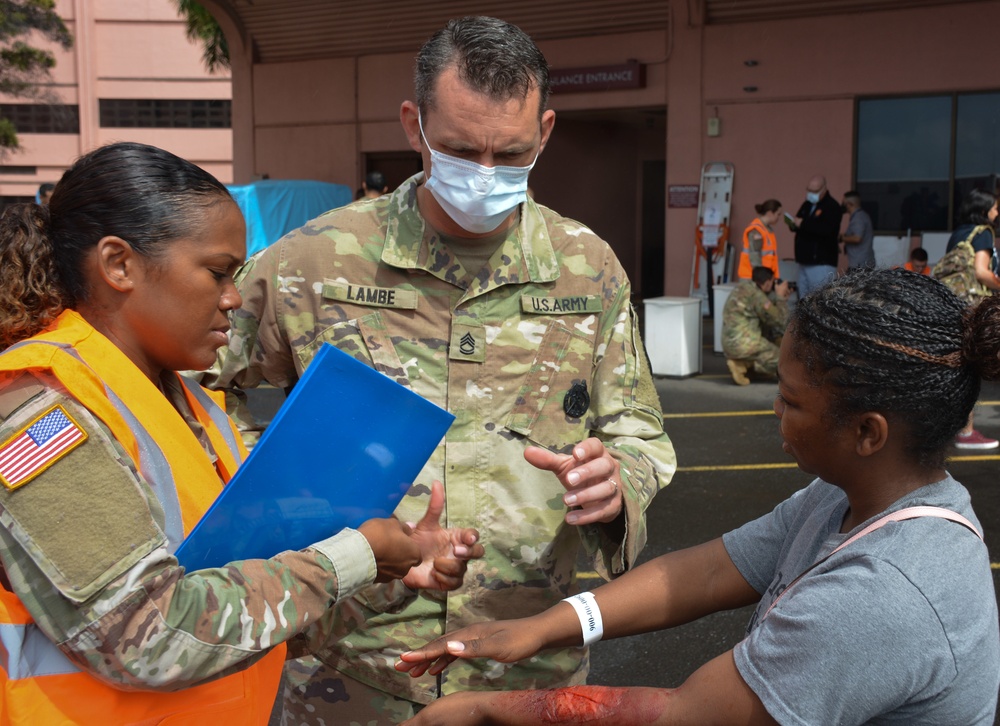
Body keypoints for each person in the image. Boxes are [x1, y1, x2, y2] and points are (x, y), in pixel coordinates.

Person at [206, 16, 676, 725]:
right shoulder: (317, 262)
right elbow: (196, 383)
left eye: (510, 152)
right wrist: (269, 498)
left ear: (544, 133)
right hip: (351, 663)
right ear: (412, 124)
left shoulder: (588, 268)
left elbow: (639, 435)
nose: (484, 173)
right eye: (459, 149)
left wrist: (616, 485)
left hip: (525, 667)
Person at [0, 141, 484, 723]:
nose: (234, 298)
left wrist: (391, 573)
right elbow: (143, 638)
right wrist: (354, 555)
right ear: (118, 265)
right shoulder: (41, 412)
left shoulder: (191, 404)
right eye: (218, 273)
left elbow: (246, 621)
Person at [397, 267, 1000, 726]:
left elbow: (683, 715)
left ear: (868, 432)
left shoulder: (885, 593)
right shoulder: (847, 499)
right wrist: (542, 627)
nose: (776, 410)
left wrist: (488, 711)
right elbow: (708, 572)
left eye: (791, 401)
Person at [934, 188, 1000, 450]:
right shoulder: (983, 233)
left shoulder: (959, 233)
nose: (997, 212)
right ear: (984, 210)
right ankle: (967, 431)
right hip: (973, 305)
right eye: (994, 207)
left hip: (953, 303)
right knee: (971, 364)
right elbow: (982, 272)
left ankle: (949, 427)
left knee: (954, 363)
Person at [722, 266, 789, 385]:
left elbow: (763, 312)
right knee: (785, 362)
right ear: (768, 282)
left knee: (768, 340)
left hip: (729, 343)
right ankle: (742, 365)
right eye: (773, 282)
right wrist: (780, 298)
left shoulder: (742, 288)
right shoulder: (758, 296)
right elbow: (780, 320)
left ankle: (745, 364)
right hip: (745, 343)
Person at [788, 174, 842, 297]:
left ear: (824, 189)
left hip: (821, 262)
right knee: (803, 299)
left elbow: (826, 229)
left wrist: (803, 223)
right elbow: (800, 222)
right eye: (809, 190)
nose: (811, 193)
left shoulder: (832, 206)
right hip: (804, 260)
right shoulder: (807, 205)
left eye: (815, 191)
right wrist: (794, 224)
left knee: (820, 299)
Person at [737, 199, 781, 281]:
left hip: (762, 277)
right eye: (778, 214)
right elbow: (754, 256)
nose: (779, 217)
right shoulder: (757, 229)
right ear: (770, 213)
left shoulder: (766, 229)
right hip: (753, 278)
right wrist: (761, 278)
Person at [838, 189, 875, 270]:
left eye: (844, 203)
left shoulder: (858, 218)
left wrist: (840, 238)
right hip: (861, 263)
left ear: (850, 204)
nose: (842, 205)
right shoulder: (859, 216)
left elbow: (857, 238)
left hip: (860, 265)